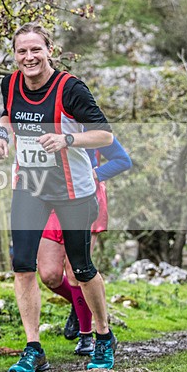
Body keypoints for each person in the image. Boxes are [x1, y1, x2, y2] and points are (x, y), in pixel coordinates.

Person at [0, 22, 118, 372]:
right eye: (22, 51)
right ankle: (34, 348)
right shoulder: (10, 83)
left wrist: (68, 140)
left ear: (49, 51)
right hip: (29, 186)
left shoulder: (70, 89)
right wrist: (1, 135)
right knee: (22, 265)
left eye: (36, 50)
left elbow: (105, 135)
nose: (29, 57)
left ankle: (104, 335)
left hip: (72, 191)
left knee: (81, 267)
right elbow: (7, 115)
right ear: (15, 55)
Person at [37, 138, 132, 355]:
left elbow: (122, 160)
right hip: (51, 197)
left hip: (84, 196)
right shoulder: (45, 122)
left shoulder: (89, 125)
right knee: (49, 275)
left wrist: (94, 174)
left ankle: (87, 336)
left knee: (75, 273)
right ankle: (79, 301)